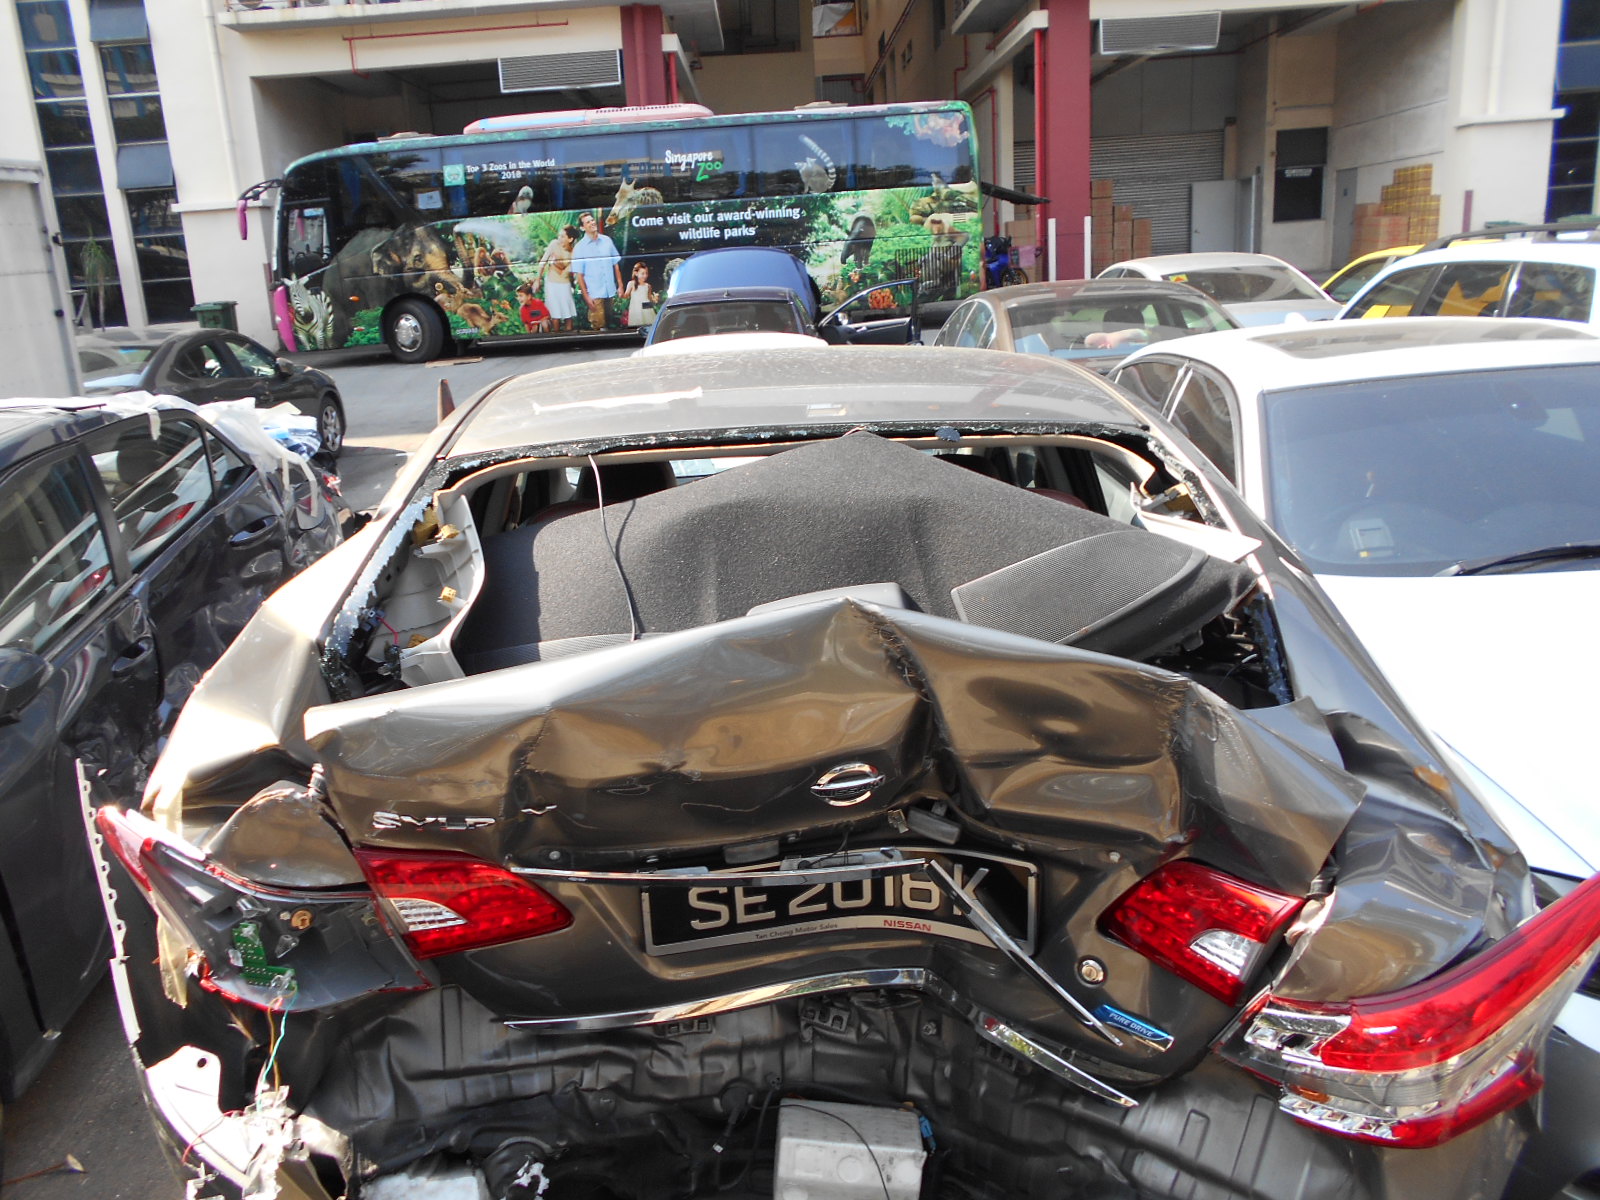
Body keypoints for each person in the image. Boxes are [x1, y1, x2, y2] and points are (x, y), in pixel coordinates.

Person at [572, 210, 623, 331]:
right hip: (595, 294)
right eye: (588, 222)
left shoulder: (607, 240)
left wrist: (620, 286)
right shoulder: (579, 248)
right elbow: (579, 276)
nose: (592, 223)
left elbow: (615, 264)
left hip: (610, 291)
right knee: (598, 327)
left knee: (611, 325)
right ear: (582, 227)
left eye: (592, 220)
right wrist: (587, 297)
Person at [534, 225, 579, 333]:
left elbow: (568, 272)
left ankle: (569, 337)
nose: (559, 238)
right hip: (551, 283)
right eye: (559, 236)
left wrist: (558, 265)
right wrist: (537, 280)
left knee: (568, 313)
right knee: (555, 314)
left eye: (562, 236)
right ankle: (556, 335)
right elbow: (543, 262)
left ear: (570, 239)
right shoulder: (554, 244)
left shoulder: (574, 252)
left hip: (565, 284)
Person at [621, 261, 657, 327]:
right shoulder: (631, 284)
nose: (645, 276)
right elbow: (626, 295)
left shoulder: (648, 286)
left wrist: (654, 300)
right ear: (636, 273)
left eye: (646, 273)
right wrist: (621, 294)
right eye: (642, 273)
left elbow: (649, 298)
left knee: (648, 322)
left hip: (646, 309)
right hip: (636, 309)